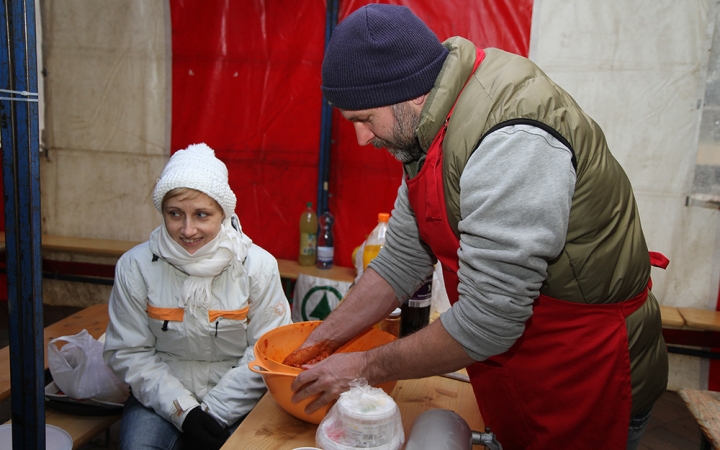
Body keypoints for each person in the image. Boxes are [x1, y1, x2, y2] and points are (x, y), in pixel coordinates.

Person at [284, 4, 668, 450]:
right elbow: (402, 260)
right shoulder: (424, 126)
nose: (363, 139)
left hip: (585, 371)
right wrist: (321, 340)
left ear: (406, 91)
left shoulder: (511, 139)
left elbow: (490, 319)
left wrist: (365, 366)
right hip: (517, 365)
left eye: (364, 119)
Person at [103, 143, 292, 450]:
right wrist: (184, 412)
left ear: (224, 212)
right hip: (159, 399)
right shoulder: (135, 267)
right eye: (174, 214)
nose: (187, 229)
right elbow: (128, 352)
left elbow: (266, 353)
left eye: (202, 215)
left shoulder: (257, 266)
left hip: (238, 398)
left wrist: (215, 411)